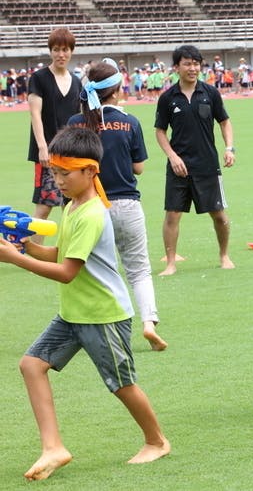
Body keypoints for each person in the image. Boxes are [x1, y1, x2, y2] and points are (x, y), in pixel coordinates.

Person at [0, 126, 170, 481]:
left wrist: (14, 260)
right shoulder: (73, 206)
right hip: (74, 313)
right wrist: (25, 246)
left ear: (91, 171)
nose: (58, 181)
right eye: (54, 173)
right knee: (31, 365)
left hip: (102, 315)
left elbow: (66, 272)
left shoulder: (92, 214)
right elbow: (60, 254)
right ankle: (53, 448)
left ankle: (157, 441)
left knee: (121, 384)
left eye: (65, 173)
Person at [67, 59, 168, 351]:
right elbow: (139, 167)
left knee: (96, 270)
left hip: (89, 207)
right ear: (116, 90)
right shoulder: (130, 122)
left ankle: (100, 327)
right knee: (139, 269)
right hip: (126, 204)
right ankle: (148, 322)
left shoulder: (75, 123)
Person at [154, 45, 235, 276]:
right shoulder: (168, 98)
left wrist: (229, 148)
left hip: (207, 164)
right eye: (187, 64)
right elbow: (160, 131)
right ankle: (170, 263)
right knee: (172, 215)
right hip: (178, 167)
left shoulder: (210, 93)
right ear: (176, 67)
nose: (193, 68)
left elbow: (224, 122)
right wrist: (172, 156)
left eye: (196, 64)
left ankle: (224, 255)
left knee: (219, 214)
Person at [27, 28, 82, 242]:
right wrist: (42, 147)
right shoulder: (39, 78)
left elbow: (78, 118)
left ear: (71, 51)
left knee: (71, 205)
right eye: (56, 49)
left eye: (65, 50)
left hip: (70, 153)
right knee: (44, 206)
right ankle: (32, 253)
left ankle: (69, 252)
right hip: (47, 154)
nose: (61, 54)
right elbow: (35, 113)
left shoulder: (76, 81)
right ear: (50, 51)